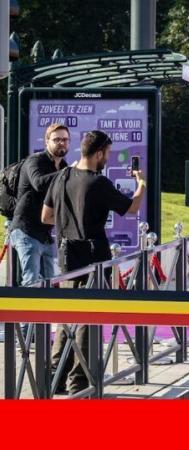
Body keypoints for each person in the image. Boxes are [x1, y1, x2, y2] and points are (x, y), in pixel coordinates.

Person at [41, 130, 146, 396]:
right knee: (88, 321)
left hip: (67, 258)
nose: (107, 159)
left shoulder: (62, 176)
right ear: (98, 153)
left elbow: (46, 216)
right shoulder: (98, 183)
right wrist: (141, 183)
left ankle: (56, 377)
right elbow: (131, 208)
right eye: (107, 154)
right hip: (94, 260)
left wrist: (70, 224)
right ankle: (81, 382)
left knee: (67, 319)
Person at [10, 123, 69, 287]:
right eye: (56, 139)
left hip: (45, 234)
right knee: (32, 282)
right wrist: (66, 173)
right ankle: (24, 313)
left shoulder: (63, 166)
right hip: (26, 230)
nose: (61, 143)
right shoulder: (35, 160)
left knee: (49, 284)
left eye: (65, 139)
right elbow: (38, 183)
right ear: (47, 141)